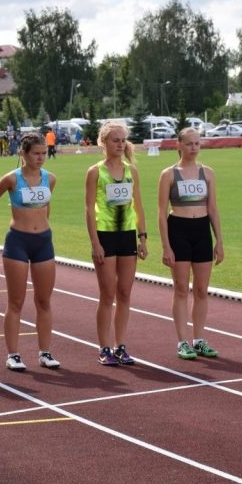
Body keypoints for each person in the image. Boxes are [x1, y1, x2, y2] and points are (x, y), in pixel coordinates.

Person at [0, 132, 60, 371]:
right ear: (24, 154)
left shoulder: (51, 179)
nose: (40, 158)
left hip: (43, 242)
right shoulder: (12, 179)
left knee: (44, 300)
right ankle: (13, 354)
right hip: (18, 241)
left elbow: (45, 206)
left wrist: (43, 226)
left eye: (44, 153)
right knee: (16, 301)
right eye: (36, 154)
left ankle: (45, 352)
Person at [157, 127, 225, 360]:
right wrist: (166, 246)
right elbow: (161, 211)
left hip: (202, 230)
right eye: (189, 144)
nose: (194, 148)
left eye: (197, 143)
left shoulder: (208, 173)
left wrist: (219, 241)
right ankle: (182, 342)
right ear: (179, 145)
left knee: (201, 290)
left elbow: (214, 209)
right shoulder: (168, 174)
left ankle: (199, 340)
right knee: (181, 288)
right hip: (179, 230)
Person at [85, 120, 147, 366]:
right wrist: (95, 243)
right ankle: (104, 347)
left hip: (127, 235)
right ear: (103, 143)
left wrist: (142, 238)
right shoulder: (95, 172)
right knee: (107, 294)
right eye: (115, 140)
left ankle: (121, 345)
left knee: (124, 293)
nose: (120, 144)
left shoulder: (131, 171)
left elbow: (139, 206)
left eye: (123, 140)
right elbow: (89, 210)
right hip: (106, 235)